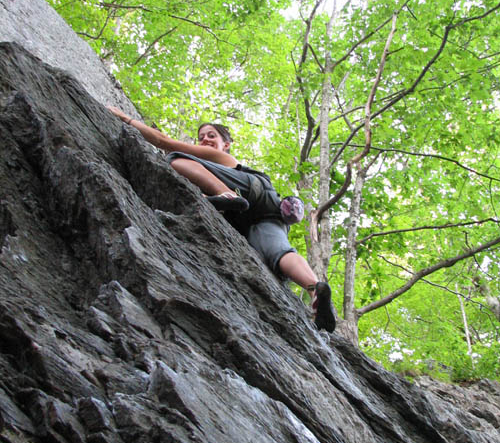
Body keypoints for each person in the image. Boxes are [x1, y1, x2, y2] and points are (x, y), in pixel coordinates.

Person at [105, 106, 336, 332]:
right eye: (201, 137)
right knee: (280, 252)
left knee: (175, 158)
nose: (204, 140)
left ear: (225, 145)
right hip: (264, 215)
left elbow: (166, 143)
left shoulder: (222, 158)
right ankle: (315, 289)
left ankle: (224, 194)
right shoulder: (215, 165)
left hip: (251, 190)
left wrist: (125, 119)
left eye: (211, 135)